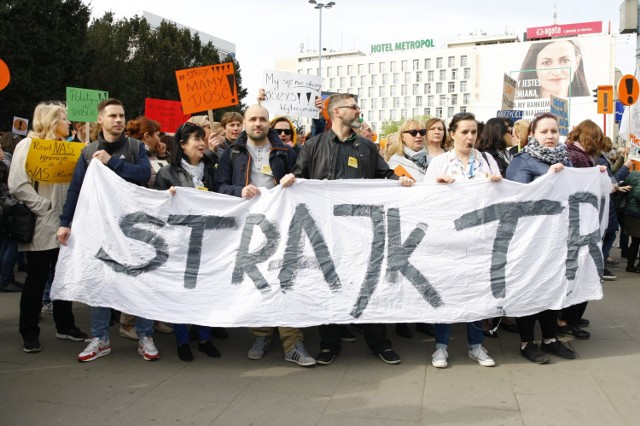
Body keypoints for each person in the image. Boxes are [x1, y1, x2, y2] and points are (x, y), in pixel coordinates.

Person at [280, 93, 414, 366]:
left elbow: (384, 175)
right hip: (326, 232)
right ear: (337, 112)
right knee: (329, 284)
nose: (358, 110)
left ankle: (379, 343)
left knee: (369, 283)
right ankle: (329, 344)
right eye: (354, 107)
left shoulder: (366, 146)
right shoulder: (313, 145)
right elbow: (300, 176)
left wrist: (399, 180)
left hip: (362, 230)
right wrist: (292, 179)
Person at [57, 98, 159, 362]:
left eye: (122, 116)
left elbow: (143, 175)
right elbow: (76, 189)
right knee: (101, 281)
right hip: (100, 227)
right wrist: (65, 223)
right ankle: (100, 338)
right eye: (112, 115)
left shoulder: (136, 146)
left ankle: (145, 335)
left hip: (135, 229)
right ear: (100, 120)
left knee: (141, 280)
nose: (118, 120)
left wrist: (112, 162)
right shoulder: (88, 150)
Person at [213, 105, 316, 367]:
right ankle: (260, 334)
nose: (257, 123)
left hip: (282, 224)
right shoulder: (232, 153)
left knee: (286, 278)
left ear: (268, 123)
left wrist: (294, 179)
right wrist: (239, 190)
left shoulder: (285, 151)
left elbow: (302, 177)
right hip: (249, 227)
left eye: (262, 119)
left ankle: (292, 342)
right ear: (245, 123)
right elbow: (218, 186)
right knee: (257, 281)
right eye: (253, 119)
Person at [8, 101, 89, 352]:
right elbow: (17, 183)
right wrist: (43, 206)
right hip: (42, 224)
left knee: (64, 276)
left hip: (65, 223)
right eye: (64, 119)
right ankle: (29, 332)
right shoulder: (28, 145)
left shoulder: (68, 148)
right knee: (37, 278)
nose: (68, 123)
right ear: (52, 122)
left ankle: (65, 325)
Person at [423, 112, 501, 368]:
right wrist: (438, 185)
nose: (470, 137)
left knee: (477, 291)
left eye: (474, 132)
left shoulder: (488, 161)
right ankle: (441, 347)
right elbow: (424, 200)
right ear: (452, 134)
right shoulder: (439, 162)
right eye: (464, 132)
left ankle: (476, 345)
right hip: (449, 239)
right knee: (446, 290)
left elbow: (500, 198)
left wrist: (496, 184)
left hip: (481, 239)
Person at [505, 112, 577, 364]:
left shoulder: (566, 159)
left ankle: (550, 339)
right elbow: (518, 197)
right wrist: (549, 178)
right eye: (544, 131)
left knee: (553, 287)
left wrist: (599, 176)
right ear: (533, 134)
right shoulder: (521, 161)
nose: (550, 136)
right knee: (531, 288)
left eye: (554, 131)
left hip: (558, 238)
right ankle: (527, 342)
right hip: (531, 240)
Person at [153, 122, 221, 362]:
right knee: (180, 292)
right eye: (196, 139)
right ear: (182, 145)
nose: (202, 143)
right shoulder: (166, 173)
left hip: (208, 240)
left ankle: (204, 338)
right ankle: (182, 340)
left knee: (205, 290)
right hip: (179, 243)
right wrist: (166, 198)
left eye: (203, 139)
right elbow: (158, 211)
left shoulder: (211, 169)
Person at [517, 40, 589, 100]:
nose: (557, 72)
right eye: (546, 62)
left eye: (564, 61)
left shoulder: (591, 108)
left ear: (577, 63)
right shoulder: (516, 110)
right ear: (534, 67)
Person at [0, 132, 24, 292]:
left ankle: (7, 277)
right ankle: (5, 278)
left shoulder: (5, 160)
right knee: (13, 245)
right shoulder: (7, 161)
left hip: (5, 205)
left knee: (6, 243)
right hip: (8, 205)